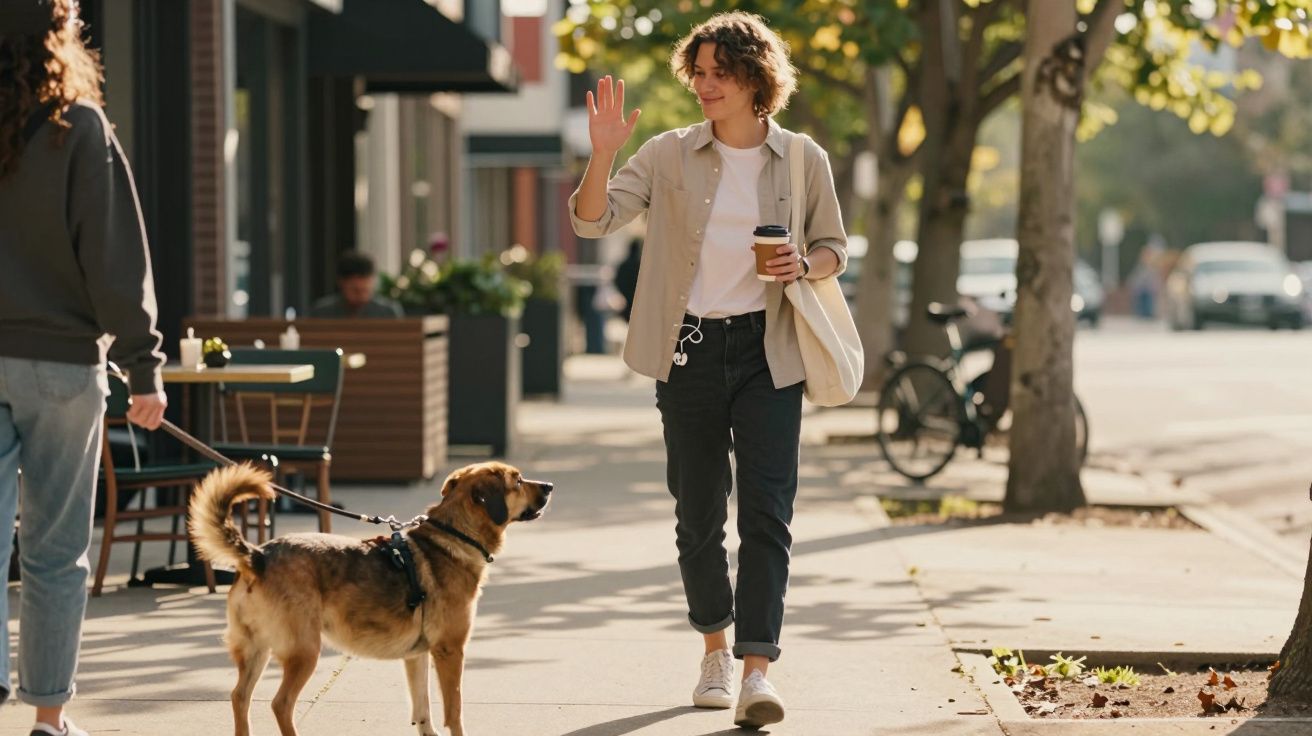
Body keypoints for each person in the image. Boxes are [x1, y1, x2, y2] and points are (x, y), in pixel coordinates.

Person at [568, 12, 847, 729]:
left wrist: (804, 264)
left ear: (758, 77)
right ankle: (714, 651)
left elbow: (833, 247)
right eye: (698, 71)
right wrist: (601, 154)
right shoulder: (667, 154)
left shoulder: (802, 158)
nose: (704, 84)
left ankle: (757, 670)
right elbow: (592, 221)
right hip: (687, 351)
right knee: (697, 514)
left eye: (719, 71)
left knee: (766, 514)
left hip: (769, 351)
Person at [0, 2, 167, 734]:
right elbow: (115, 259)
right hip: (62, 369)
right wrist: (144, 365)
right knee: (56, 552)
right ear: (60, 35)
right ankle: (47, 719)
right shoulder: (79, 128)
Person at [308, 250, 404, 318]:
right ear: (341, 283)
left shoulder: (388, 312)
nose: (361, 296)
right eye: (355, 290)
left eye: (365, 290)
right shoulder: (322, 312)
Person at [614, 238, 642, 322]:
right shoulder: (640, 265)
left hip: (628, 295)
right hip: (635, 296)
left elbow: (618, 280)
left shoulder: (623, 265)